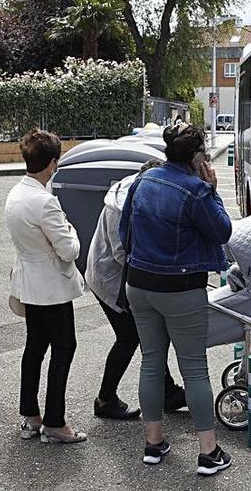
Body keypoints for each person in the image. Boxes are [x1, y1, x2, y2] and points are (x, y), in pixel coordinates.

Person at [120, 123, 233, 475]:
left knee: (151, 362)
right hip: (181, 288)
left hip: (139, 283)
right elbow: (223, 230)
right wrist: (212, 190)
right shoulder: (197, 191)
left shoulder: (142, 181)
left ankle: (153, 444)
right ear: (198, 156)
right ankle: (208, 452)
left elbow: (125, 232)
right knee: (194, 367)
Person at [86, 159, 187, 420]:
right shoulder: (119, 208)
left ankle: (168, 393)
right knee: (130, 336)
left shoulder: (148, 191)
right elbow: (123, 254)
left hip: (129, 278)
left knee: (149, 333)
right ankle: (105, 399)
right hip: (110, 280)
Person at [5, 128, 86, 444]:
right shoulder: (45, 201)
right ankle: (55, 420)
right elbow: (68, 250)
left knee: (35, 347)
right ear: (52, 163)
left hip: (28, 281)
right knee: (64, 348)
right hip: (52, 285)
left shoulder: (17, 193)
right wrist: (73, 230)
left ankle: (31, 415)